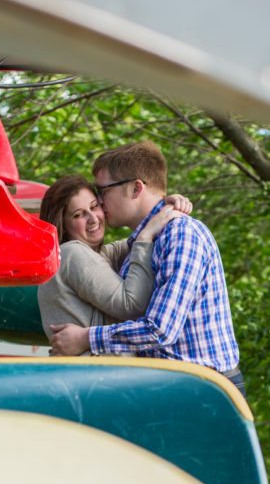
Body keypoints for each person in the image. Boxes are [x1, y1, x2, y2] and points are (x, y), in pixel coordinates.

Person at [49, 141, 245, 398]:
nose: (99, 201)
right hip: (173, 386)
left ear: (135, 188)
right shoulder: (143, 241)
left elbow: (160, 329)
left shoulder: (182, 235)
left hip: (203, 390)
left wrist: (88, 338)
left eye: (102, 191)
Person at [38, 174, 188, 341]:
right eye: (78, 215)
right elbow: (131, 306)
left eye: (94, 207)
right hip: (94, 366)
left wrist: (162, 203)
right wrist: (145, 237)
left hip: (97, 366)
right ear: (63, 226)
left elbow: (136, 242)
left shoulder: (98, 255)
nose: (93, 219)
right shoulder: (71, 254)